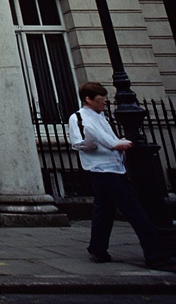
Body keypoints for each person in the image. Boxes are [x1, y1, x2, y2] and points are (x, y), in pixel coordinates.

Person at [67, 81, 171, 269]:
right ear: (88, 99)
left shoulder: (101, 117)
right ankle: (155, 254)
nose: (104, 103)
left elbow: (110, 139)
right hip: (101, 170)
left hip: (115, 167)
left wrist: (119, 143)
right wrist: (105, 144)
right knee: (135, 211)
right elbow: (79, 144)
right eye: (100, 100)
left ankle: (97, 248)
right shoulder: (78, 118)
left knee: (104, 211)